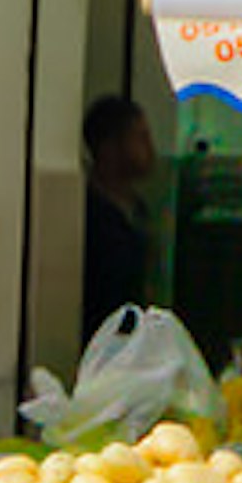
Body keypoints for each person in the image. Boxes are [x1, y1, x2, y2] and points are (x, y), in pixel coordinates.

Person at [76, 92, 158, 345]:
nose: (150, 149)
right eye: (140, 138)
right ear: (109, 146)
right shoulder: (88, 214)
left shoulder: (138, 209)